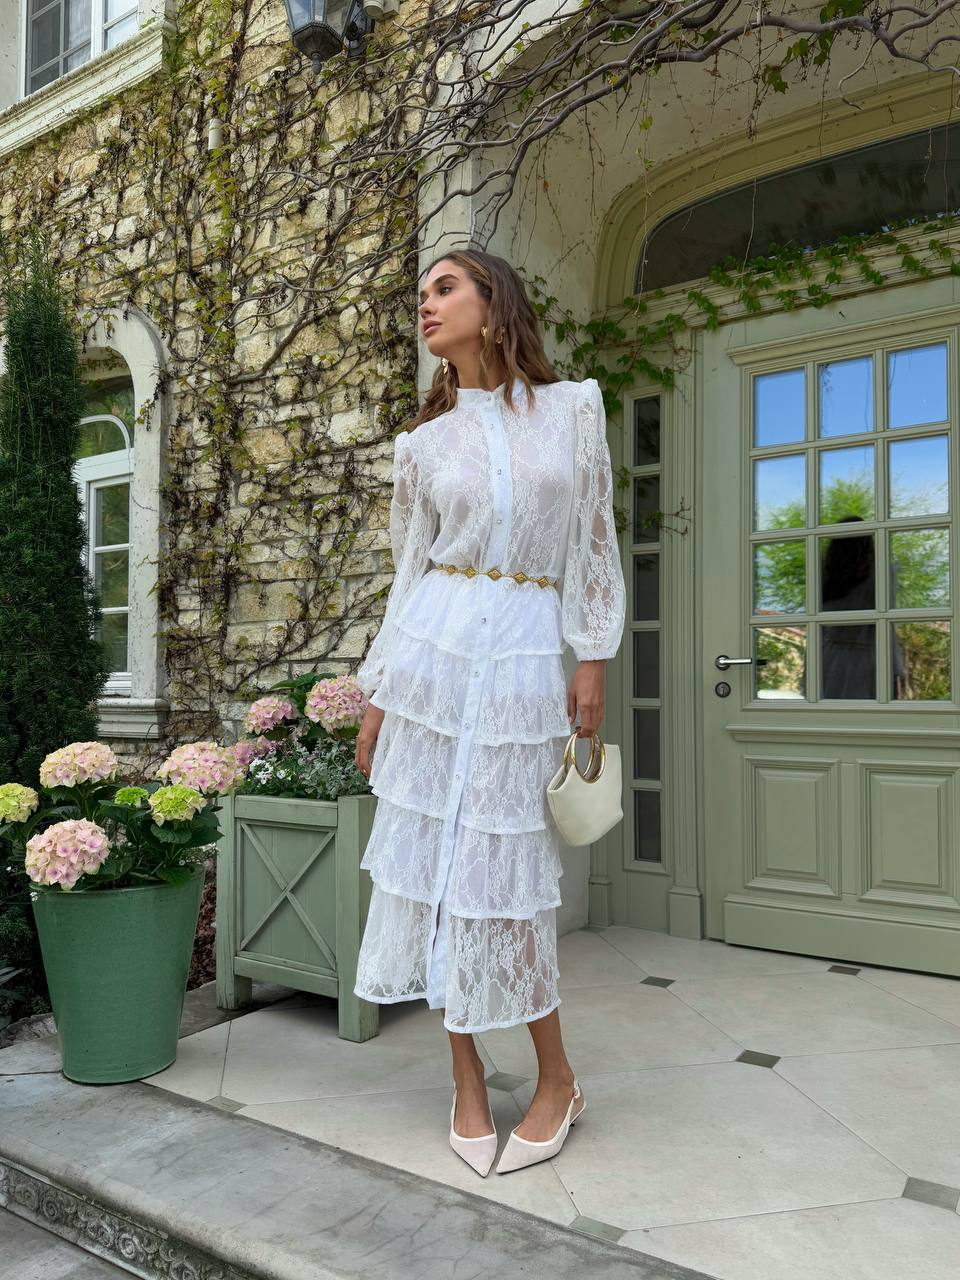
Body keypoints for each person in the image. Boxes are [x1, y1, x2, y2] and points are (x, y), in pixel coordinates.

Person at [352, 248, 626, 1177]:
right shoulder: (421, 447)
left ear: (492, 301)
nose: (425, 305)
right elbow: (405, 579)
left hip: (522, 652)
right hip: (433, 656)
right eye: (421, 293)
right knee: (430, 873)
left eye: (443, 288)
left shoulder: (572, 411)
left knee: (503, 876)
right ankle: (466, 1081)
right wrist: (378, 695)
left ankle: (558, 1078)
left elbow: (593, 538)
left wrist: (593, 656)